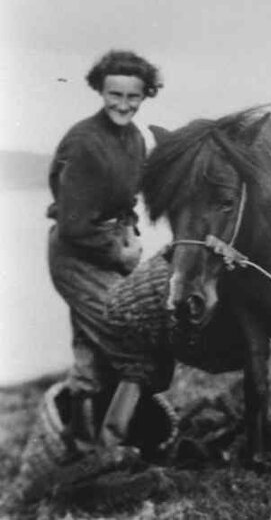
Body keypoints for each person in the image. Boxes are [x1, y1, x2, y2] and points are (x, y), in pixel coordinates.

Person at [47, 49, 162, 449]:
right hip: (75, 256)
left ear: (145, 95)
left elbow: (125, 203)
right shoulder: (83, 143)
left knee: (92, 343)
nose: (123, 105)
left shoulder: (134, 140)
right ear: (100, 90)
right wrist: (121, 255)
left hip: (110, 246)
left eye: (133, 96)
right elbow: (73, 225)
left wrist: (130, 236)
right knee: (136, 336)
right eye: (115, 94)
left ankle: (78, 438)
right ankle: (110, 444)